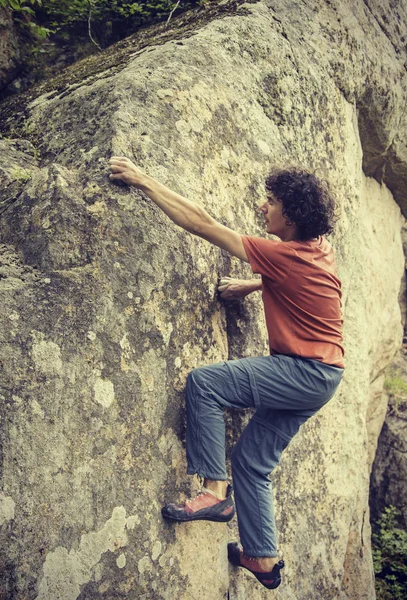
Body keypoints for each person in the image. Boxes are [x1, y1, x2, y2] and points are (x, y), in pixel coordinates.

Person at [108, 157, 345, 591]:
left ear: (289, 218)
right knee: (252, 464)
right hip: (324, 379)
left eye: (270, 203)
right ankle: (261, 558)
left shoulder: (282, 255)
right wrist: (256, 284)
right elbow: (313, 280)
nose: (262, 207)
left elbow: (203, 224)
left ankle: (214, 495)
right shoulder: (317, 247)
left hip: (303, 371)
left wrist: (144, 180)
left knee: (206, 383)